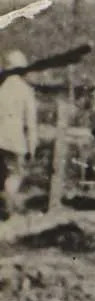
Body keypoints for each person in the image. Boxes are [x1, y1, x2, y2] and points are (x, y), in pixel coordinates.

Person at [0, 51, 36, 218]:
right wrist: (32, 146)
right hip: (14, 141)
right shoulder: (25, 91)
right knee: (15, 175)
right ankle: (8, 210)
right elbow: (30, 123)